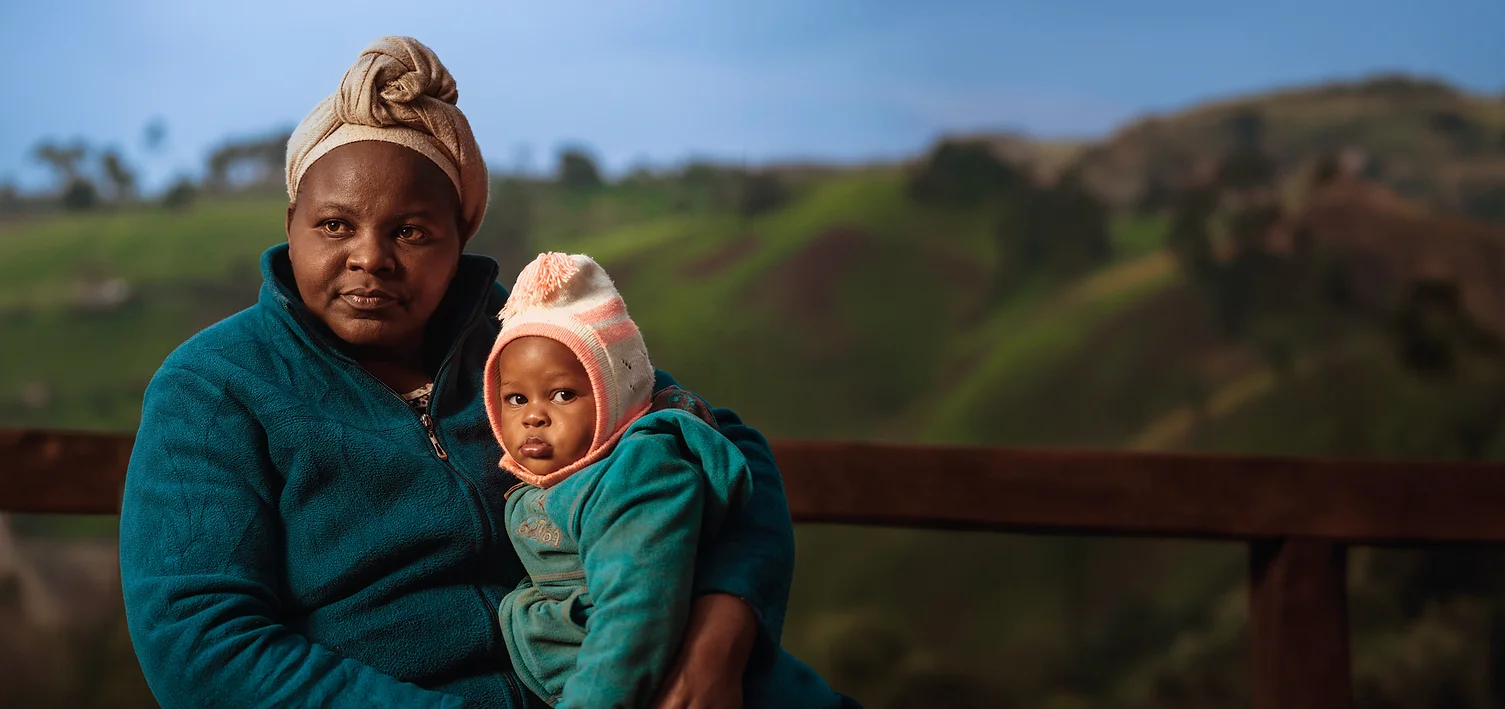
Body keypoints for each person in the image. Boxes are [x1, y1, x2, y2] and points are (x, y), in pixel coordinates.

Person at [120, 36, 800, 708]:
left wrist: (719, 638)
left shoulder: (531, 340)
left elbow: (719, 448)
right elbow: (201, 646)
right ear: (291, 222)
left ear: (460, 237)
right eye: (334, 225)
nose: (370, 258)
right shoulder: (213, 387)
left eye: (411, 231)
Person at [485, 253, 849, 709]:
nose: (534, 416)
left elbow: (635, 612)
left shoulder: (638, 475)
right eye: (515, 398)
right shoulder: (560, 480)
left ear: (613, 397)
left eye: (562, 394)